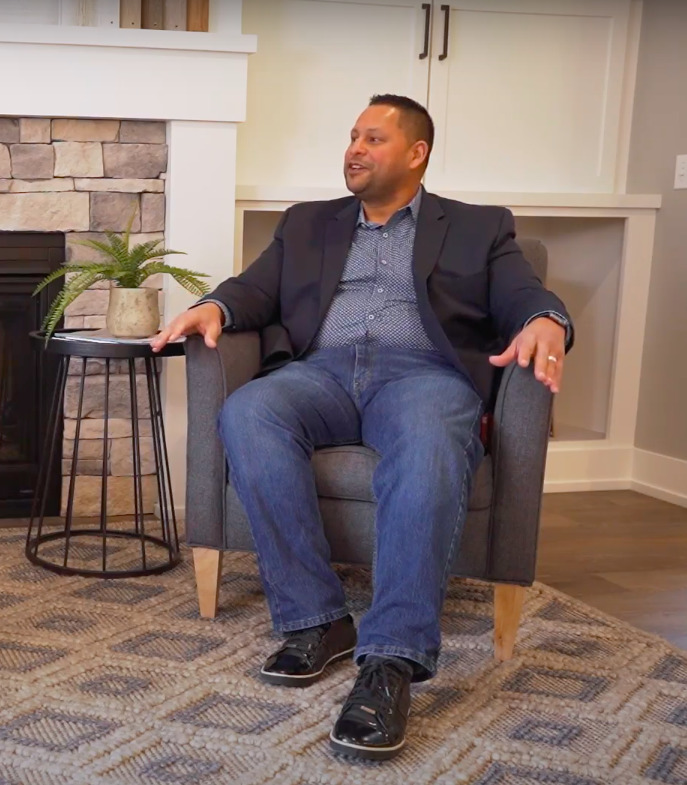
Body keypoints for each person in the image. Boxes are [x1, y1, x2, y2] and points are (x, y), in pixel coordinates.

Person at [151, 94, 571, 760]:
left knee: (432, 440)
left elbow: (520, 293)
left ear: (415, 153)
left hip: (420, 376)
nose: (353, 148)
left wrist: (546, 319)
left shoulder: (477, 226)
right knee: (248, 410)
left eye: (372, 138)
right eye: (351, 136)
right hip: (320, 371)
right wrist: (214, 307)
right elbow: (253, 288)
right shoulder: (307, 223)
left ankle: (390, 660)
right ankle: (315, 619)